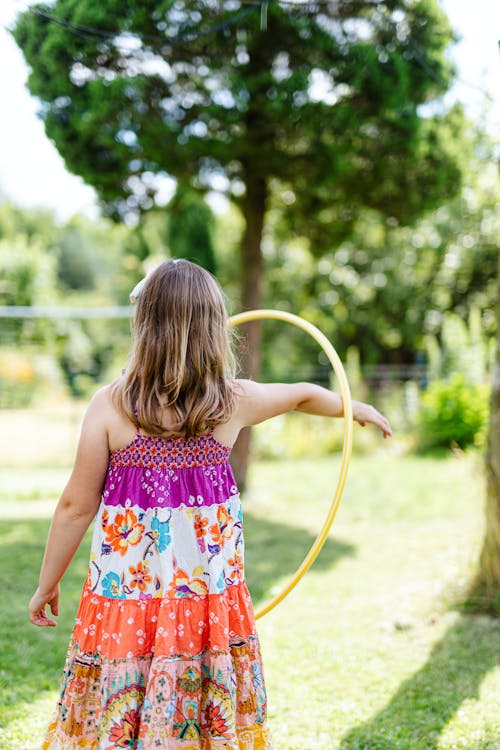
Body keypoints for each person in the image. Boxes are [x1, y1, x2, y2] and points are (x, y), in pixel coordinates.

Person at [30, 259, 392, 750]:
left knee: (123, 712)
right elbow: (302, 396)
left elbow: (76, 505)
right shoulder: (232, 402)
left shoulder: (111, 406)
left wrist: (47, 583)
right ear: (214, 331)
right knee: (198, 720)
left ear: (145, 327)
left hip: (129, 600)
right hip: (203, 604)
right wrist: (353, 408)